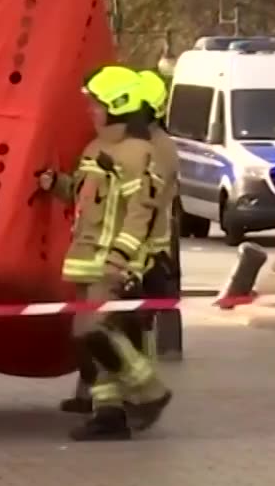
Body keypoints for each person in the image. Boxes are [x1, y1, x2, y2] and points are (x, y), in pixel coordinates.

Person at [34, 64, 173, 441]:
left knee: (98, 332)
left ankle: (150, 392)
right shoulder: (96, 149)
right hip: (83, 259)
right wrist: (55, 184)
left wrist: (119, 259)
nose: (91, 111)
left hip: (108, 263)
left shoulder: (139, 153)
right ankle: (108, 412)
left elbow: (141, 213)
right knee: (85, 338)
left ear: (118, 105)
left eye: (97, 104)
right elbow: (83, 195)